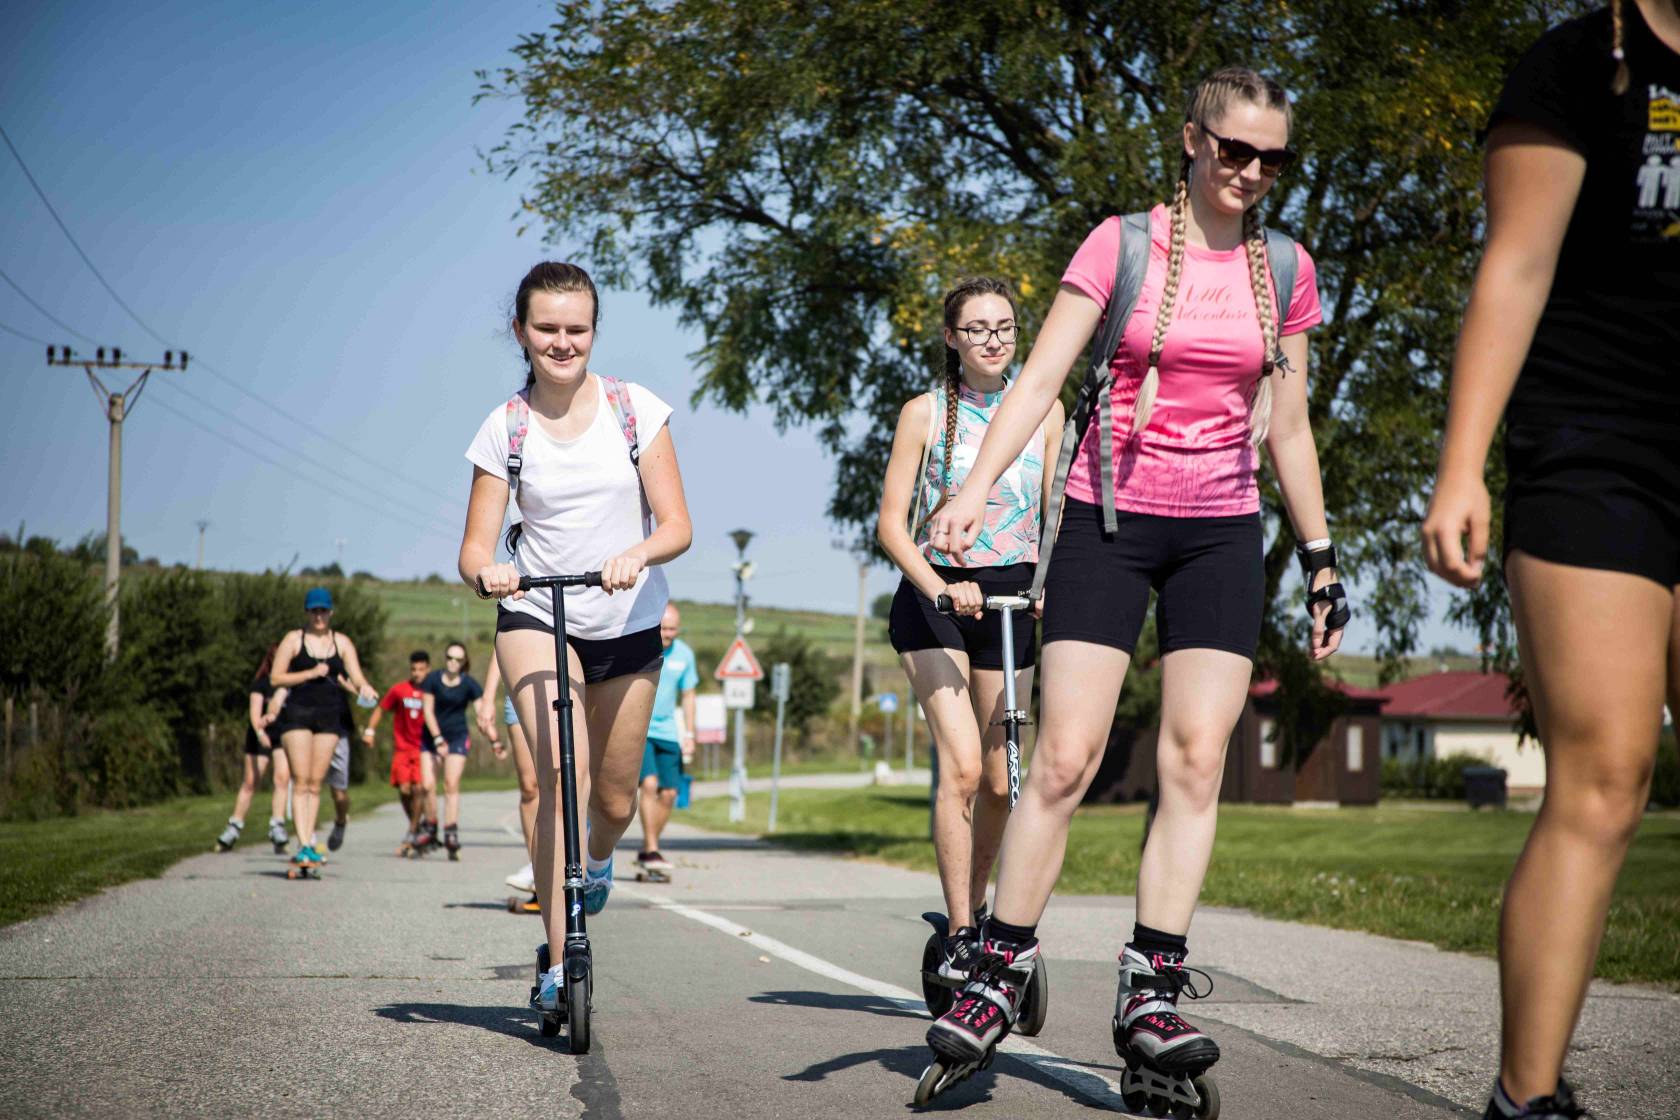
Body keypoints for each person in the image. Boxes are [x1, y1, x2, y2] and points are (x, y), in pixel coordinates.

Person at [924, 67, 1345, 1091]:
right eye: (1236, 149)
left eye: (1273, 157)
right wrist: (976, 487)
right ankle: (999, 961)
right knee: (1064, 758)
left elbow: (1286, 426)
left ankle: (1151, 988)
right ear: (1194, 141)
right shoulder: (1120, 245)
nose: (1253, 171)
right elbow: (1040, 378)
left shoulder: (1282, 267)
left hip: (1220, 531)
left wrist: (1323, 556)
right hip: (1112, 522)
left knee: (1198, 760)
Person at [1421, 4, 1680, 1117]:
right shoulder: (1579, 64)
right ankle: (1526, 1101)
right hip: (1597, 439)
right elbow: (1516, 268)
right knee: (1607, 773)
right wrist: (1461, 465)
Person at [461, 261, 692, 1011]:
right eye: (547, 328)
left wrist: (638, 553)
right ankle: (563, 963)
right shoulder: (506, 427)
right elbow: (474, 547)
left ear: (594, 331)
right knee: (565, 770)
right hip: (537, 614)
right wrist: (490, 573)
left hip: (625, 619)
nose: (563, 342)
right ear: (521, 332)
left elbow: (678, 525)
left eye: (576, 329)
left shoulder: (635, 411)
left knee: (616, 799)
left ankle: (593, 865)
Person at [875, 276, 1061, 980]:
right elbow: (893, 526)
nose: (994, 340)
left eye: (1006, 327)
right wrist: (943, 588)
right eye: (978, 328)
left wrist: (1049, 589)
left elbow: (1053, 516)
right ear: (951, 338)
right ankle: (958, 931)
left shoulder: (1043, 410)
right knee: (959, 765)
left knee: (1001, 781)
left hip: (1013, 600)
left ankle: (987, 913)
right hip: (935, 597)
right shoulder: (924, 413)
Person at [269, 587, 379, 874]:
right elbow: (276, 677)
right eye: (314, 610)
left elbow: (356, 678)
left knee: (315, 784)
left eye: (323, 610)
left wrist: (364, 688)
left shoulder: (341, 642)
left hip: (330, 718)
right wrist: (309, 673)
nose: (319, 616)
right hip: (297, 715)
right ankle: (304, 843)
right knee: (300, 780)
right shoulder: (294, 640)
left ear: (331, 613)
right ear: (307, 612)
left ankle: (309, 842)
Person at [634, 603, 699, 876]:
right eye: (664, 628)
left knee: (670, 793)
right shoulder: (641, 646)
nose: (668, 634)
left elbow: (689, 695)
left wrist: (690, 734)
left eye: (673, 629)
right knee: (649, 785)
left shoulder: (685, 655)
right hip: (641, 729)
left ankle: (650, 848)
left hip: (669, 732)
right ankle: (651, 848)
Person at [214, 645, 293, 853]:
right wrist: (260, 733)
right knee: (251, 782)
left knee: (282, 779)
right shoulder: (261, 684)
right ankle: (234, 827)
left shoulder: (290, 684)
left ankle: (277, 826)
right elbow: (254, 713)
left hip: (282, 735)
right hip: (260, 734)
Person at [480, 651, 540, 893]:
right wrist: (487, 700)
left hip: (562, 690)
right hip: (518, 690)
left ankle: (572, 863)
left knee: (561, 784)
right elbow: (501, 640)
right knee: (530, 787)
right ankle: (538, 867)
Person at [363, 650, 433, 856]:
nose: (417, 673)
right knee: (404, 790)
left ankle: (412, 832)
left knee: (419, 788)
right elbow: (381, 709)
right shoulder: (399, 690)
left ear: (428, 669)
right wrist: (370, 730)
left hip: (423, 748)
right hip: (402, 748)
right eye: (414, 669)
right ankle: (418, 826)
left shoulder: (433, 691)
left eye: (421, 669)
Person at [420, 641, 484, 858]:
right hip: (431, 737)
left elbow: (481, 712)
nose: (453, 662)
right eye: (450, 657)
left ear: (464, 662)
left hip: (457, 737)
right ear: (445, 657)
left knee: (450, 784)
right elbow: (427, 711)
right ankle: (430, 825)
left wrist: (494, 739)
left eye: (458, 659)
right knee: (427, 785)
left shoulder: (470, 684)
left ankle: (450, 832)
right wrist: (437, 738)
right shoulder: (432, 680)